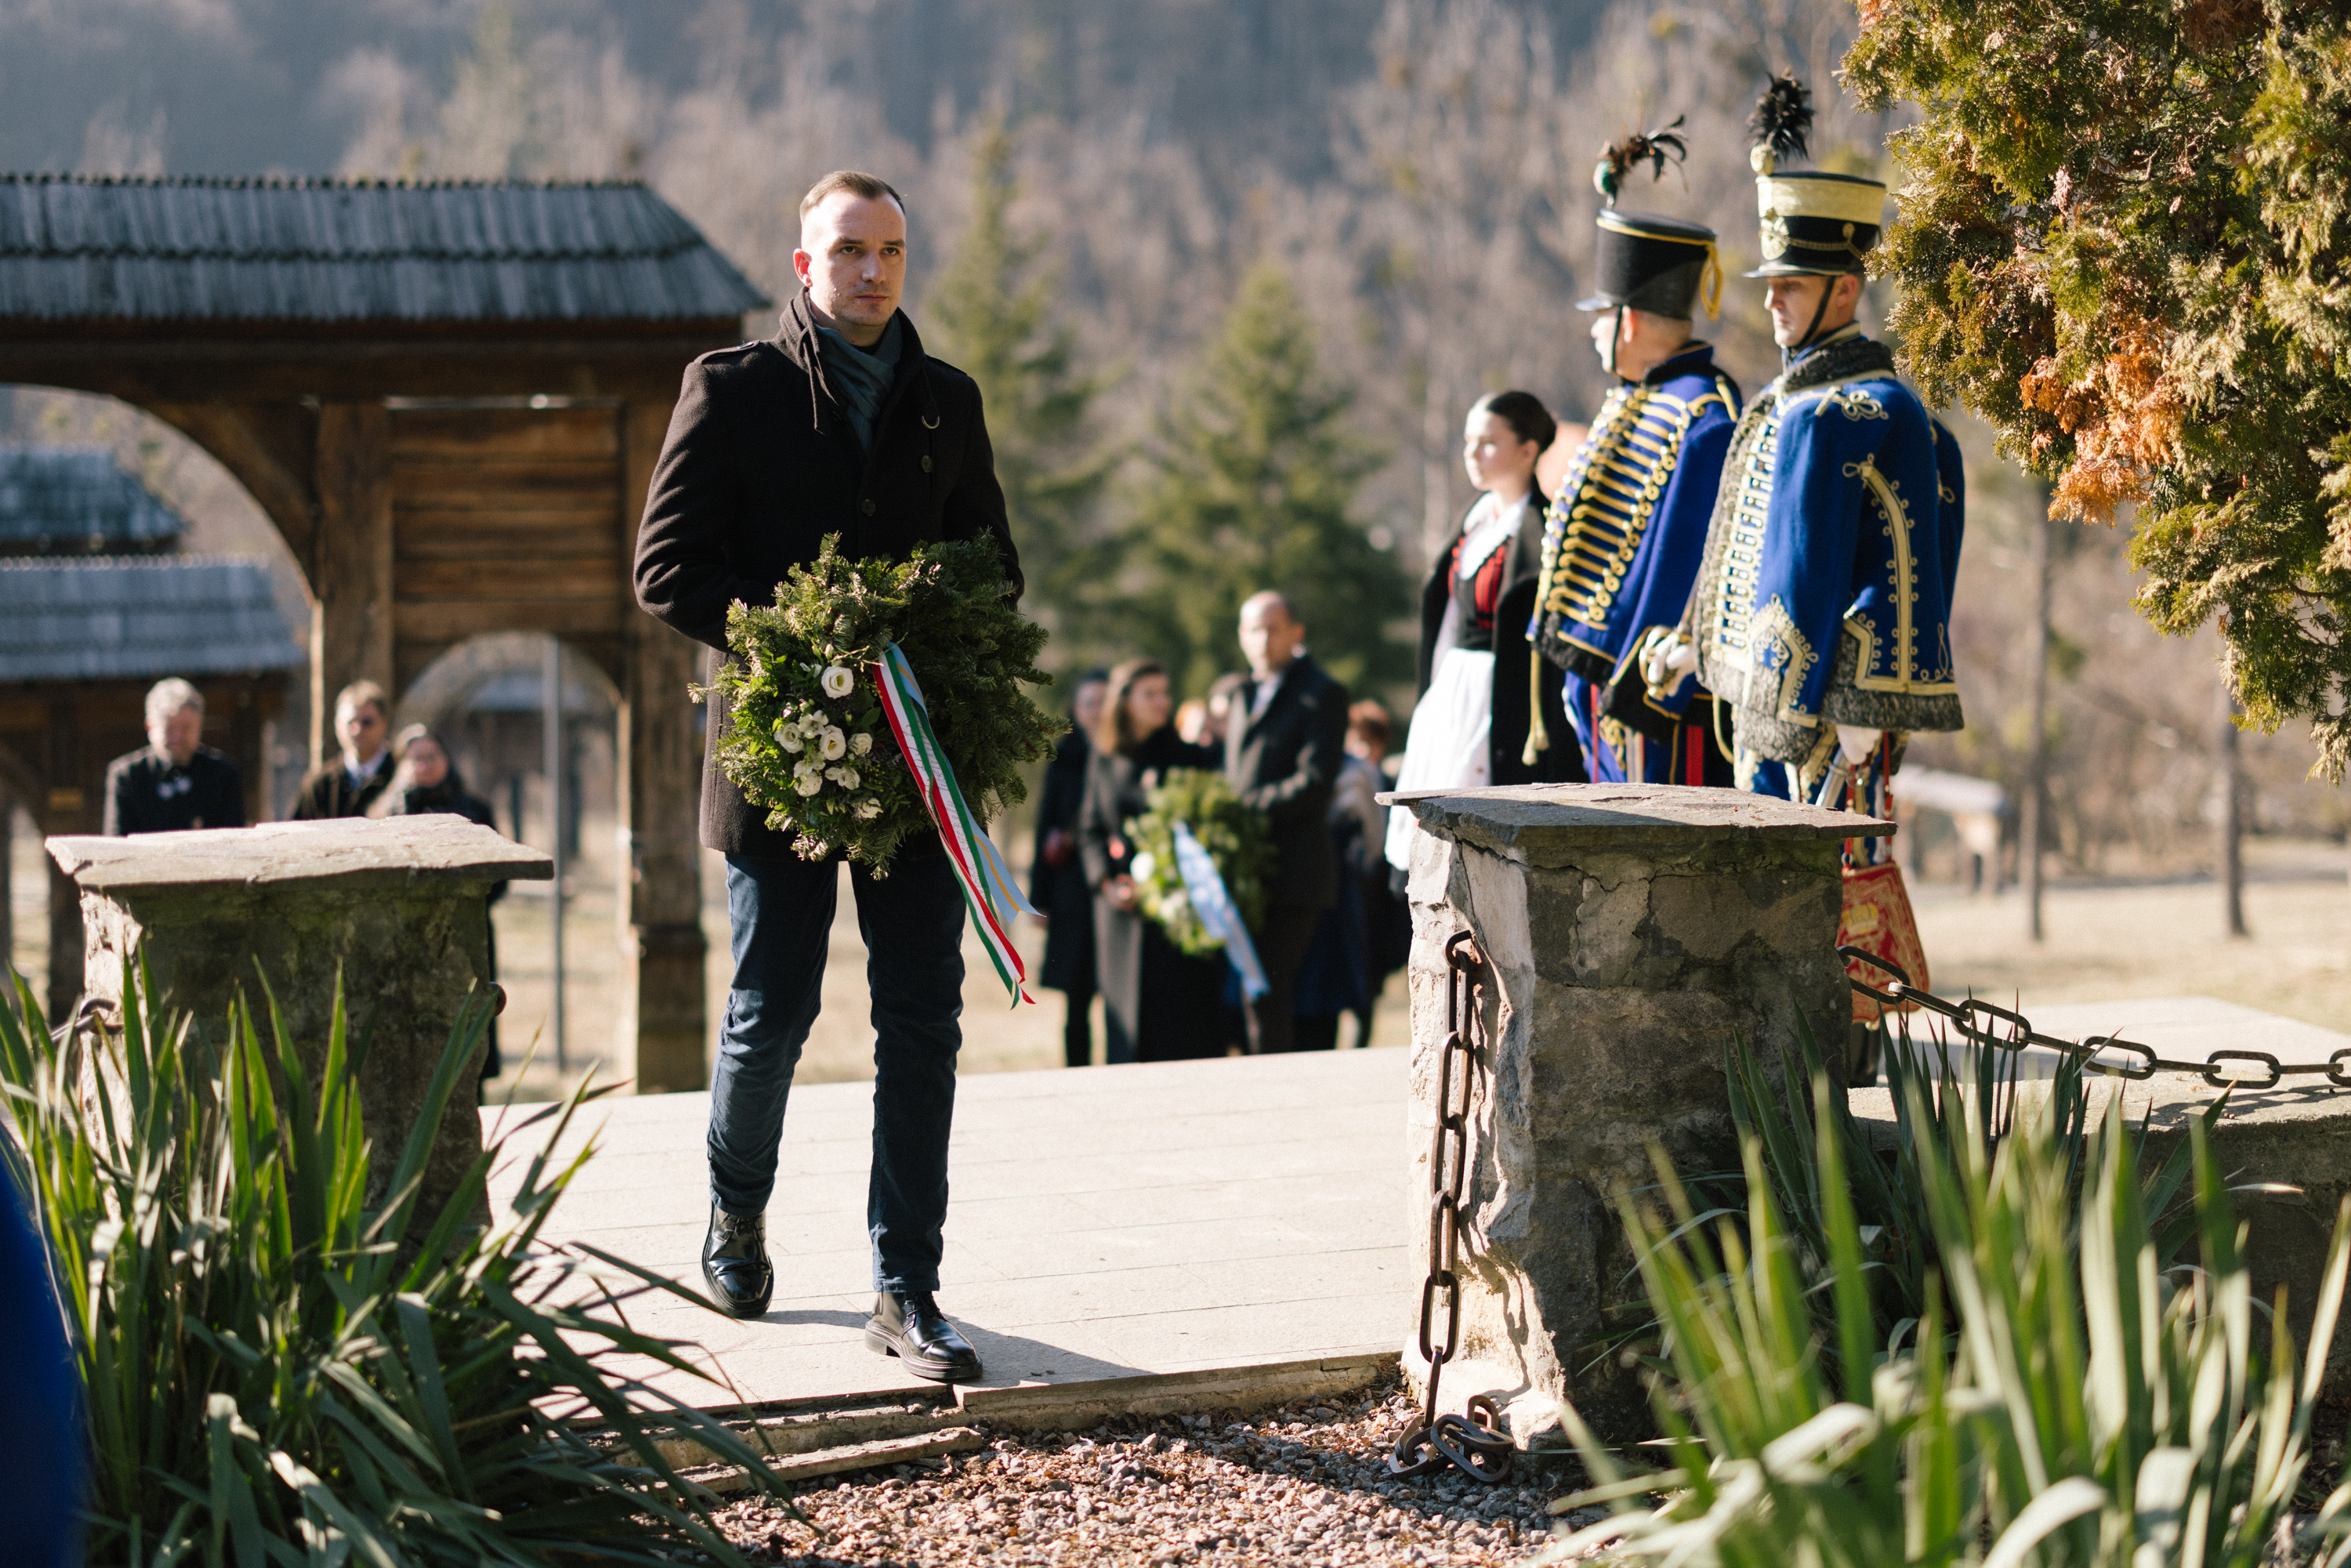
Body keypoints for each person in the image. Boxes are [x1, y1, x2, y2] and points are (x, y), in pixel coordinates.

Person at [633, 169, 1018, 1382]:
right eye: (849, 249)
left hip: (914, 760)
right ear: (804, 265)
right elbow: (666, 568)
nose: (872, 269)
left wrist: (927, 631)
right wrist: (802, 644)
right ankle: (735, 1211)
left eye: (891, 250)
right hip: (779, 764)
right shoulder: (732, 387)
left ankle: (908, 1284)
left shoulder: (947, 401)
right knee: (774, 1009)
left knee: (924, 1015)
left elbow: (995, 571)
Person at [1650, 78, 1965, 811]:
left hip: (1833, 721)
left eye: (1791, 284)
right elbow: (1736, 543)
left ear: (1845, 290)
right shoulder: (1777, 403)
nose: (1771, 299)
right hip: (1749, 704)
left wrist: (1866, 701)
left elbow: (1905, 562)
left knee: (1838, 877)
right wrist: (1699, 637)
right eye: (1771, 282)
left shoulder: (1884, 411)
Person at [1529, 137, 1744, 788]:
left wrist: (1636, 695)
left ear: (1627, 322)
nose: (1594, 329)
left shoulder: (1703, 414)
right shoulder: (1642, 397)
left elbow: (1683, 573)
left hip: (1650, 704)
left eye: (1602, 315)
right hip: (1602, 683)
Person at [1386, 391, 1576, 873]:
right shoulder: (1470, 524)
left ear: (1528, 450)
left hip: (1503, 696)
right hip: (1452, 690)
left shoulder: (1546, 532)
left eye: (1489, 442)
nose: (1472, 453)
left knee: (1483, 832)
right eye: (1469, 440)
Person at [1078, 659, 1226, 1063]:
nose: (1163, 702)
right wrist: (1106, 883)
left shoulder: (1187, 758)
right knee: (1127, 1031)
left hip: (1178, 912)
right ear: (1125, 701)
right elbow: (1089, 829)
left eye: (1165, 693)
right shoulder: (1103, 757)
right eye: (1151, 694)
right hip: (1122, 914)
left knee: (1180, 1028)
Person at [1223, 592, 1349, 1055]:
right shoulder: (1241, 693)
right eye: (1253, 630)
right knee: (1253, 992)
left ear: (1296, 633)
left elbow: (1315, 781)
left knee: (1269, 989)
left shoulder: (1322, 693)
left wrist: (1245, 807)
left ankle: (1271, 1083)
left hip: (1293, 872)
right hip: (1243, 869)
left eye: (1272, 629)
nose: (1262, 640)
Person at [374, 724, 509, 1090]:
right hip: (406, 934)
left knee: (470, 1027)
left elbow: (498, 878)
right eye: (415, 759)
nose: (425, 765)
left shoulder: (474, 809)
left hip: (467, 932)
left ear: (447, 759)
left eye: (431, 756)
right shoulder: (386, 812)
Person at [1032, 670, 1108, 1068]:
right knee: (1077, 996)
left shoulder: (1126, 752)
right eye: (1089, 702)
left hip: (1115, 885)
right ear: (1075, 710)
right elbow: (1045, 828)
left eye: (1104, 701)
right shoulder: (1064, 758)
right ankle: (1077, 1071)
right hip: (1071, 890)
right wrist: (1039, 899)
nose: (1097, 710)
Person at [1339, 700, 1407, 1047]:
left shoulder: (1393, 783)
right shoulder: (1346, 781)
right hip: (1351, 891)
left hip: (1381, 896)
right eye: (1357, 740)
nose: (1364, 750)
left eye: (1371, 742)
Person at [102, 677, 245, 835]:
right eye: (169, 729)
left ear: (199, 726)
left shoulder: (223, 774)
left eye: (186, 728)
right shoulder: (127, 776)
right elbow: (117, 841)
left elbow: (234, 838)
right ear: (150, 726)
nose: (177, 737)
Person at [291, 680, 394, 820]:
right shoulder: (319, 785)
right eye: (350, 722)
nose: (357, 731)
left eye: (367, 722)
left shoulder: (401, 774)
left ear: (384, 724)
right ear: (337, 725)